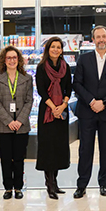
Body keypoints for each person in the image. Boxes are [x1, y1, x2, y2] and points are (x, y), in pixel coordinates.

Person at [72, 25, 106, 198]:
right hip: (87, 112)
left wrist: (105, 102)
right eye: (98, 37)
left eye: (104, 36)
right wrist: (91, 101)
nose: (101, 40)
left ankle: (104, 183)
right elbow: (77, 84)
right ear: (93, 40)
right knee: (85, 149)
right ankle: (82, 184)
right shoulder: (83, 59)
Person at [0, 45, 34, 200]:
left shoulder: (27, 78)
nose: (12, 60)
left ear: (19, 60)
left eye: (14, 57)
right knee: (6, 158)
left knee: (19, 158)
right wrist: (9, 121)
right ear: (4, 60)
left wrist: (19, 120)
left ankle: (18, 187)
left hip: (22, 126)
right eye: (8, 58)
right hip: (2, 126)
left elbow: (29, 101)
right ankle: (8, 188)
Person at [35, 36, 73, 199]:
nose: (56, 50)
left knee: (58, 147)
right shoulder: (41, 67)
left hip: (61, 112)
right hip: (47, 112)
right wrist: (54, 108)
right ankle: (49, 184)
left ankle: (55, 183)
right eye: (53, 47)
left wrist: (63, 106)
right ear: (48, 49)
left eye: (58, 47)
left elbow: (69, 89)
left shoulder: (66, 67)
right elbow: (41, 91)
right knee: (47, 148)